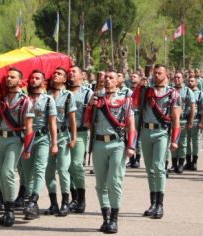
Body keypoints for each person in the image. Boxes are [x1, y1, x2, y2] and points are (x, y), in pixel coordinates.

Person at [84, 70, 136, 233]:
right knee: (100, 184)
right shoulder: (96, 99)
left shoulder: (125, 100)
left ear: (117, 81)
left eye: (111, 78)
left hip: (117, 144)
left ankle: (114, 219)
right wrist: (90, 106)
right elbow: (86, 123)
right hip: (99, 143)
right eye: (105, 78)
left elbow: (131, 126)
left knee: (114, 181)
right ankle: (105, 218)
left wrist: (131, 146)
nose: (107, 80)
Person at [132, 64, 181, 220]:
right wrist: (140, 87)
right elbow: (134, 104)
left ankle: (160, 204)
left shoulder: (173, 94)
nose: (156, 76)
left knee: (159, 167)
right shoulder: (148, 90)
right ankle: (152, 203)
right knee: (150, 170)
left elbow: (176, 119)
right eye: (155, 73)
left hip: (161, 132)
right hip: (146, 131)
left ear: (167, 75)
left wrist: (174, 140)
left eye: (159, 73)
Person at [0, 67, 34, 227]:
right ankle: (7, 210)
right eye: (7, 77)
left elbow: (29, 127)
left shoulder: (25, 101)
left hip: (15, 140)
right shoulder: (1, 98)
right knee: (0, 174)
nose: (9, 79)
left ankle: (11, 211)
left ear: (20, 81)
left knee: (7, 172)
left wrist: (28, 148)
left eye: (12, 77)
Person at [22, 70, 58, 220]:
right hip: (25, 138)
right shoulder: (24, 99)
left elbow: (52, 123)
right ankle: (32, 205)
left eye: (37, 78)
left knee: (39, 169)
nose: (33, 80)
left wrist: (54, 143)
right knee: (27, 172)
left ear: (43, 82)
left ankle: (33, 200)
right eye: (32, 78)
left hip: (42, 138)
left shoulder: (49, 100)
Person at [45, 67, 77, 217]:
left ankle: (65, 202)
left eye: (59, 74)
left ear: (64, 79)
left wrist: (74, 138)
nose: (55, 75)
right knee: (48, 171)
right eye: (54, 73)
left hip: (63, 136)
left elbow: (72, 119)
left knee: (63, 169)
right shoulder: (46, 95)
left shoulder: (68, 95)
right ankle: (53, 203)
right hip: (48, 137)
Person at [66, 66, 92, 214]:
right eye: (69, 72)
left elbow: (92, 115)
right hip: (65, 133)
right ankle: (73, 198)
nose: (71, 74)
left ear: (82, 75)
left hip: (80, 133)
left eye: (74, 72)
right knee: (67, 167)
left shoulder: (88, 93)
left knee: (76, 165)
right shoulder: (64, 92)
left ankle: (81, 199)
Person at [170, 72, 195, 174]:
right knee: (173, 142)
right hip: (172, 121)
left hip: (183, 120)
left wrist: (191, 121)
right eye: (175, 77)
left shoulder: (188, 91)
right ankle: (174, 164)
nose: (177, 79)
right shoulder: (170, 90)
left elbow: (193, 107)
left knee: (182, 143)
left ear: (183, 79)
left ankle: (181, 164)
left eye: (179, 77)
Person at [185, 77, 203, 171]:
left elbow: (202, 109)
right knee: (186, 141)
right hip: (186, 120)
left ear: (196, 83)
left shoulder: (201, 94)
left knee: (195, 142)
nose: (190, 82)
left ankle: (194, 161)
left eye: (192, 81)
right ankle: (188, 161)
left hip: (196, 120)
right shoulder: (185, 92)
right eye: (189, 81)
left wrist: (202, 121)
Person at [127, 73, 143, 168]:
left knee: (138, 138)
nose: (132, 78)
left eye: (134, 76)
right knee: (130, 136)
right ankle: (131, 159)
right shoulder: (127, 90)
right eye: (131, 76)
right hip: (130, 114)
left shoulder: (142, 90)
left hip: (138, 114)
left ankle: (137, 159)